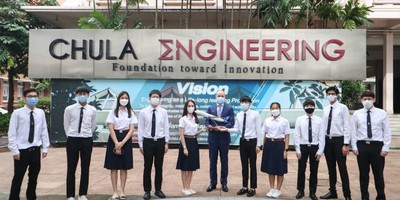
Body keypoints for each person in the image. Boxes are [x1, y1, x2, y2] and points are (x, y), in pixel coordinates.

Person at [8, 88, 50, 200]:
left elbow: (44, 130)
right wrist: (14, 150)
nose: (33, 98)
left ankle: (31, 197)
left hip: (35, 150)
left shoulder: (40, 113)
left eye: (35, 96)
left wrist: (45, 147)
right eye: (30, 96)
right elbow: (12, 133)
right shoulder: (17, 113)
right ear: (25, 98)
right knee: (18, 177)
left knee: (33, 178)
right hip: (22, 151)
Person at [351, 91, 391, 200]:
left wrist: (385, 147)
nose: (367, 101)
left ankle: (381, 196)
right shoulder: (357, 114)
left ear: (374, 100)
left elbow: (386, 131)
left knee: (378, 173)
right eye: (364, 99)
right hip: (362, 146)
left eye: (369, 98)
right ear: (361, 100)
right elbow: (353, 131)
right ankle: (364, 196)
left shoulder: (382, 113)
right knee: (363, 174)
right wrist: (354, 146)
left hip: (377, 146)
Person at [220, 95, 261, 197]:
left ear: (250, 103)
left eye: (246, 102)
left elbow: (258, 130)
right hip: (242, 142)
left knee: (252, 165)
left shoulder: (255, 114)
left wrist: (259, 145)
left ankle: (252, 187)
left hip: (252, 141)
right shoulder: (239, 114)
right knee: (244, 165)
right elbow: (237, 128)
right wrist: (227, 129)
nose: (244, 104)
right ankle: (244, 186)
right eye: (242, 102)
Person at [64, 86, 97, 200]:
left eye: (85, 93)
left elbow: (93, 126)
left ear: (88, 95)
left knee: (85, 167)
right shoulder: (69, 109)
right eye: (80, 93)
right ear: (77, 95)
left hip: (86, 139)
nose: (82, 96)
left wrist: (86, 134)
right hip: (73, 139)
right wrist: (71, 135)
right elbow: (66, 124)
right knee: (71, 168)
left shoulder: (92, 109)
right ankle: (70, 195)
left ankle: (83, 194)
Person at [104, 91, 137, 200]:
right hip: (114, 138)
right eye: (122, 97)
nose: (124, 99)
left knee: (124, 167)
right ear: (118, 99)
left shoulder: (131, 112)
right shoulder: (113, 112)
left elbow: (132, 129)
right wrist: (116, 143)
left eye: (126, 98)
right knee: (114, 167)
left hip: (126, 139)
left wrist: (122, 143)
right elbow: (110, 128)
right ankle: (114, 192)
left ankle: (122, 191)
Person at [320, 86, 352, 200]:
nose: (330, 95)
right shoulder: (325, 109)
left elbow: (347, 126)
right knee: (331, 168)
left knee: (342, 168)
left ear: (337, 95)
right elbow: (323, 126)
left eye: (332, 93)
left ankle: (347, 194)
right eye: (328, 93)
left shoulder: (343, 108)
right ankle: (332, 191)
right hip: (328, 140)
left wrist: (346, 143)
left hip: (339, 140)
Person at [138, 89, 170, 200]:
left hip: (160, 141)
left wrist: (166, 142)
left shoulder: (164, 112)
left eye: (157, 97)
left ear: (160, 99)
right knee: (147, 167)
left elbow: (166, 127)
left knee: (159, 167)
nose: (155, 99)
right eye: (153, 97)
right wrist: (140, 144)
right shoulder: (143, 112)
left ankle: (158, 189)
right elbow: (141, 129)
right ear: (149, 98)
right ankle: (147, 191)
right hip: (147, 141)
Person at [294, 99, 325, 200]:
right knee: (301, 170)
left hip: (314, 147)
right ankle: (300, 190)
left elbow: (321, 136)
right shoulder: (299, 119)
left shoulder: (319, 120)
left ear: (314, 107)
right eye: (307, 106)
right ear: (303, 108)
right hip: (303, 147)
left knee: (314, 171)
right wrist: (297, 150)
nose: (309, 108)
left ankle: (312, 192)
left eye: (311, 106)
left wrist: (320, 151)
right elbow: (297, 135)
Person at [205, 90, 235, 192]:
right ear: (215, 96)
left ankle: (224, 183)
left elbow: (231, 122)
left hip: (224, 138)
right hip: (213, 138)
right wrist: (209, 126)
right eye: (219, 95)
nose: (220, 97)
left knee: (224, 161)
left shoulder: (229, 108)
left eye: (222, 96)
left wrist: (224, 126)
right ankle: (212, 183)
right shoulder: (210, 108)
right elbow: (206, 121)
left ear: (225, 97)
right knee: (212, 161)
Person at [176, 100, 207, 196]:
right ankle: (184, 187)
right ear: (186, 107)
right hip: (185, 142)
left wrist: (202, 130)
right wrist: (184, 147)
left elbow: (194, 134)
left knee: (191, 167)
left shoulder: (195, 118)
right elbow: (181, 135)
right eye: (189, 105)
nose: (191, 107)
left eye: (192, 105)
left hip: (194, 142)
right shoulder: (183, 119)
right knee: (184, 167)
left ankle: (189, 186)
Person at [261, 102, 290, 198]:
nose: (275, 110)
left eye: (277, 108)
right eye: (273, 108)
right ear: (270, 110)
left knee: (280, 168)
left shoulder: (284, 121)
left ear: (280, 109)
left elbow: (287, 135)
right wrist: (263, 146)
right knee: (270, 168)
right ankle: (272, 188)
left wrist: (286, 149)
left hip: (280, 145)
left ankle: (278, 189)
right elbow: (265, 133)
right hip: (269, 144)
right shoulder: (267, 120)